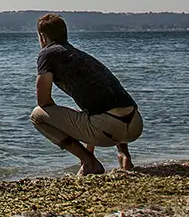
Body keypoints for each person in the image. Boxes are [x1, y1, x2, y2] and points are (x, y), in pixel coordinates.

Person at [29, 13, 142, 175]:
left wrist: (59, 119)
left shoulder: (47, 55)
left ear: (42, 36)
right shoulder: (80, 55)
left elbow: (43, 101)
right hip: (135, 124)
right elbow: (95, 106)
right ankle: (124, 156)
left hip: (109, 128)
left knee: (37, 115)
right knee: (101, 106)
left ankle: (89, 162)